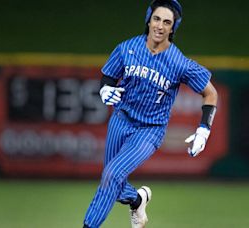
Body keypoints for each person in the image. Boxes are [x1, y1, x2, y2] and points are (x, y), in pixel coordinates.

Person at [83, 0, 218, 227]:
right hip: (120, 120)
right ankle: (138, 200)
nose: (160, 26)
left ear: (173, 28)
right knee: (112, 185)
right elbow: (108, 77)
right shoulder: (127, 48)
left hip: (149, 130)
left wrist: (204, 129)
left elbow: (211, 93)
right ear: (148, 19)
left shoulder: (179, 63)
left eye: (167, 22)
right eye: (157, 19)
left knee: (111, 176)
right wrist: (105, 89)